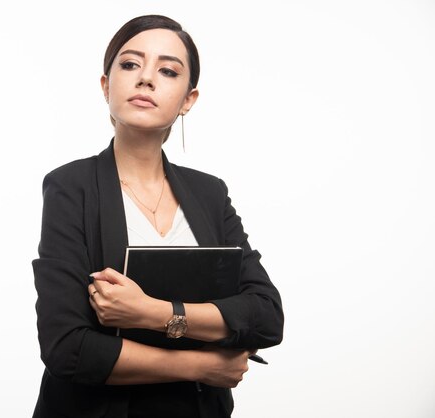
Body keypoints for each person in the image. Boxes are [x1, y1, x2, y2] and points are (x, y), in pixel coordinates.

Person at [32, 14, 283, 418]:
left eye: (168, 70)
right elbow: (68, 348)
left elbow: (265, 316)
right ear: (105, 85)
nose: (146, 78)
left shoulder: (209, 193)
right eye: (130, 64)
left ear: (188, 100)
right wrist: (201, 364)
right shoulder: (70, 186)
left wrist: (152, 312)